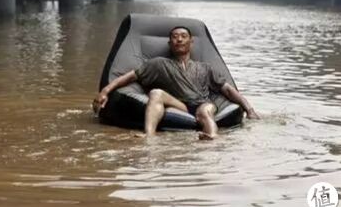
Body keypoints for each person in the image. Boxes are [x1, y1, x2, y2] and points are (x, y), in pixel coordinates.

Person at [92, 26, 260, 140]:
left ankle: (212, 137)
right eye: (175, 37)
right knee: (156, 93)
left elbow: (229, 90)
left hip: (203, 103)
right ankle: (149, 136)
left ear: (191, 42)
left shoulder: (205, 68)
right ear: (169, 43)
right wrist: (105, 91)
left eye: (183, 36)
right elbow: (130, 77)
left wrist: (249, 109)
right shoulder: (158, 64)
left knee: (205, 112)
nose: (179, 39)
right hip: (180, 105)